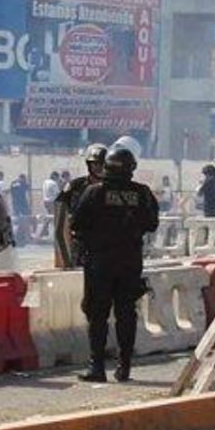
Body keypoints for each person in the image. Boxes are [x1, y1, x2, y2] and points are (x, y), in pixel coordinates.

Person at [69, 145, 160, 383]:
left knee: (97, 315)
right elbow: (152, 224)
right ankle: (124, 366)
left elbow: (76, 224)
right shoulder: (142, 193)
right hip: (129, 261)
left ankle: (97, 367)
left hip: (99, 263)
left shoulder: (94, 192)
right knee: (126, 314)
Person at [55, 145, 109, 271]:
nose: (98, 167)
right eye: (95, 164)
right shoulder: (76, 186)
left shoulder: (113, 187)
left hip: (106, 241)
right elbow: (60, 207)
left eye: (102, 164)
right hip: (80, 240)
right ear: (89, 165)